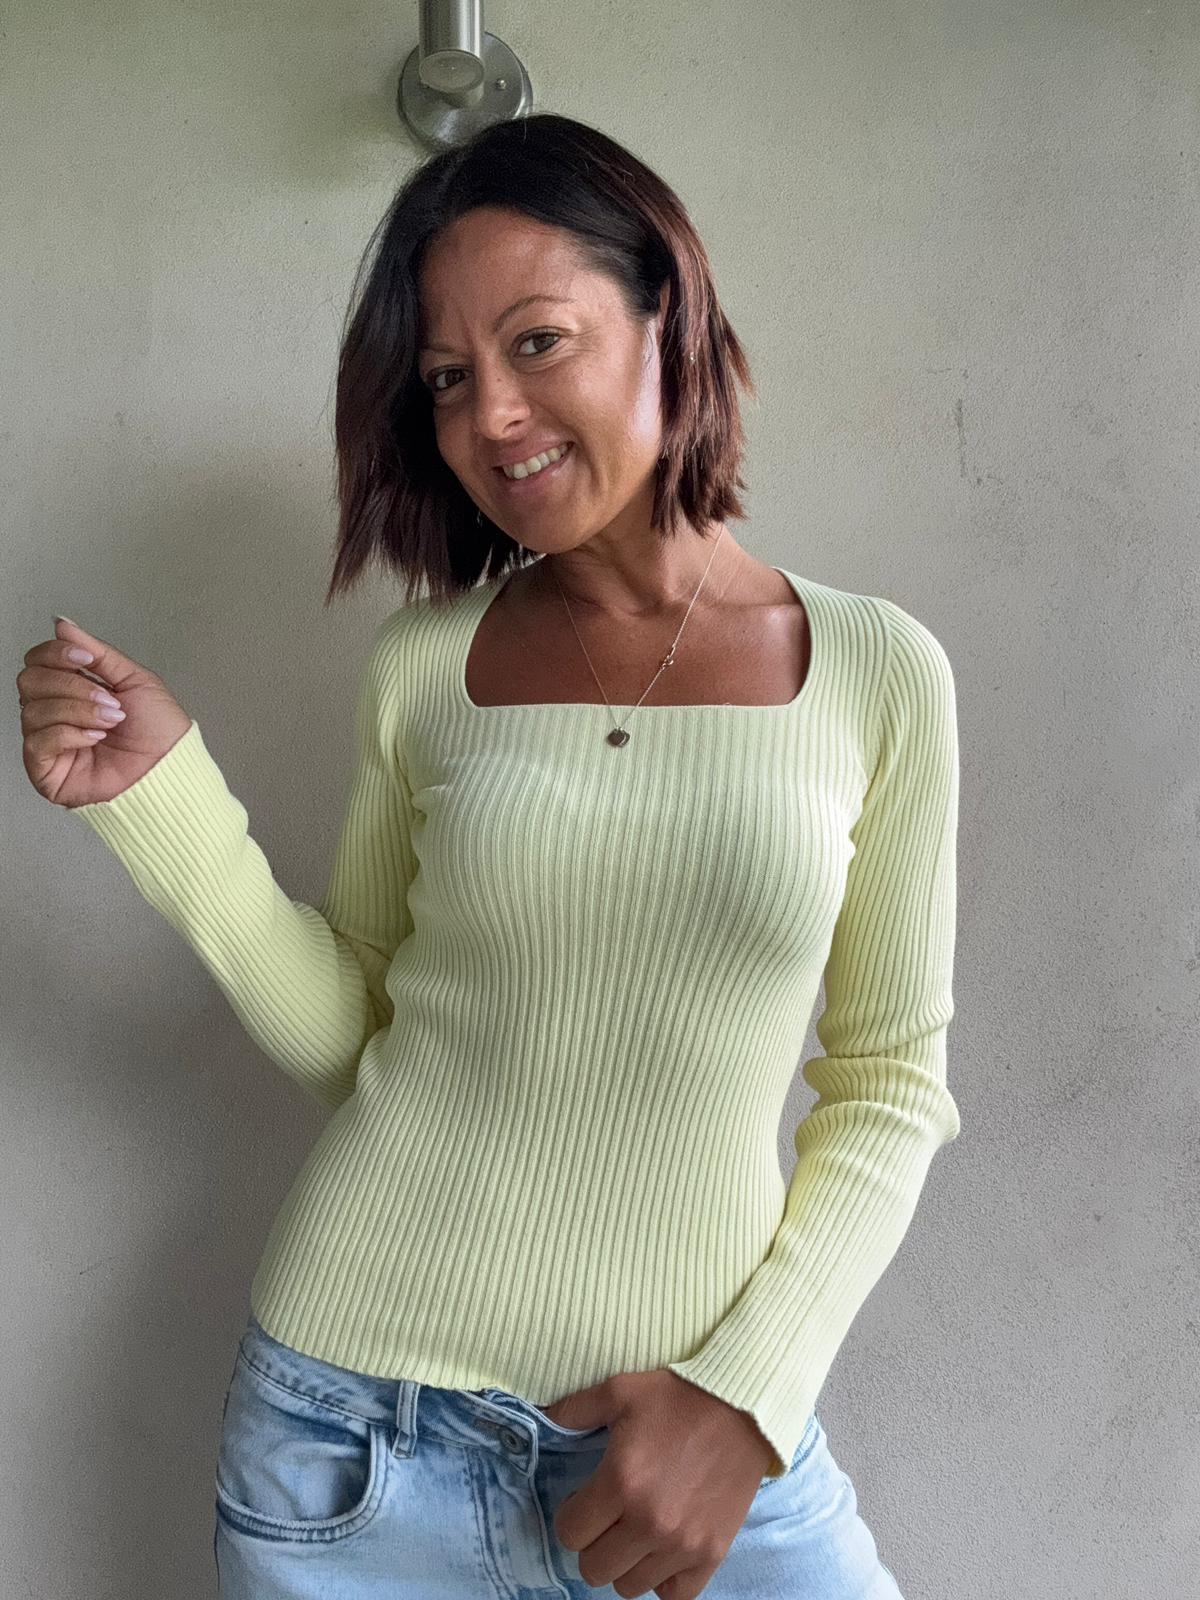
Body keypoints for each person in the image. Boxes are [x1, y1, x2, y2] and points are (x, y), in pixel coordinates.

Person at [17, 112, 959, 1599]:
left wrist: (746, 1399)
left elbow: (890, 1088)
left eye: (538, 342)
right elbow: (362, 1036)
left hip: (689, 1453)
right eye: (449, 378)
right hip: (352, 1442)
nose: (493, 417)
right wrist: (166, 802)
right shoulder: (426, 668)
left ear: (668, 316)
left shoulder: (876, 670)